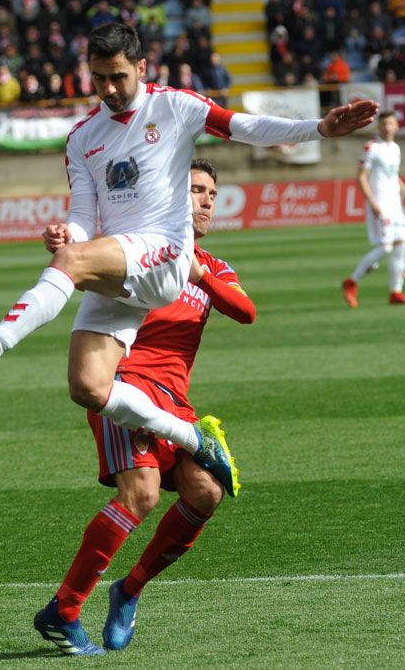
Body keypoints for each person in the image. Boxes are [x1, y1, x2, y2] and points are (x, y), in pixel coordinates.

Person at [0, 22, 376, 502]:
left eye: (118, 76)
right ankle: (193, 437)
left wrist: (318, 128)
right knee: (87, 387)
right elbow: (83, 214)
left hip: (165, 253)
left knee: (73, 262)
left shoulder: (175, 106)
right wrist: (69, 233)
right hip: (126, 266)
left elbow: (243, 126)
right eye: (99, 78)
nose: (110, 89)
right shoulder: (82, 138)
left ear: (141, 67)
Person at [36, 159, 254, 656]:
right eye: (196, 190)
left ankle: (129, 590)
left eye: (211, 194)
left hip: (175, 404)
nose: (205, 201)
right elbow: (85, 264)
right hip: (126, 389)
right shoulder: (140, 254)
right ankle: (63, 611)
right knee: (142, 495)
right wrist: (66, 245)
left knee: (206, 493)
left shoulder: (214, 267)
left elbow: (245, 311)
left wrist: (197, 271)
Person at [342, 111, 405, 308]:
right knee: (385, 247)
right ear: (379, 126)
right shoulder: (371, 148)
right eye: (384, 124)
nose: (388, 127)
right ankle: (351, 282)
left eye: (391, 124)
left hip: (396, 205)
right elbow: (361, 177)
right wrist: (373, 203)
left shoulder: (395, 148)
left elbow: (393, 176)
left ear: (397, 126)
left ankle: (396, 292)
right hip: (380, 204)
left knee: (401, 245)